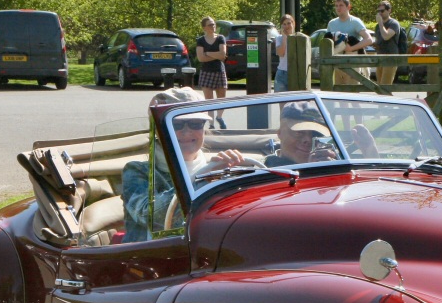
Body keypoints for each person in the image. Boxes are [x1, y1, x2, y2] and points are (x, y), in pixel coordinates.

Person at [122, 87, 251, 242]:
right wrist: (204, 179)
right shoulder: (137, 171)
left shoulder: (220, 166)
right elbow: (150, 217)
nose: (187, 132)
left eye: (196, 123)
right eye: (176, 124)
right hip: (154, 257)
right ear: (158, 131)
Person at [265, 101, 377, 167]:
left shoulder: (335, 165)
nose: (308, 140)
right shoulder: (266, 169)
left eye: (315, 134)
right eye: (298, 133)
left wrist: (371, 155)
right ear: (279, 133)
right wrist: (311, 170)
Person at [327, 0, 372, 85]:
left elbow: (369, 40)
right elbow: (328, 42)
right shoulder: (332, 23)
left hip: (352, 62)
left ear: (348, 7)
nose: (338, 8)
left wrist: (351, 48)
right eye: (336, 6)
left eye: (341, 5)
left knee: (353, 91)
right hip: (337, 62)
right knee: (336, 93)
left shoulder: (355, 21)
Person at [195, 17, 228, 128]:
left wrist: (208, 53)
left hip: (219, 71)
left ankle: (219, 117)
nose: (213, 26)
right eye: (210, 25)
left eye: (214, 24)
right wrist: (216, 55)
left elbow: (223, 55)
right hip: (206, 72)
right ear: (204, 27)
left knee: (221, 98)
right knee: (209, 100)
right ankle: (211, 123)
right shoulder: (200, 40)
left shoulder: (220, 38)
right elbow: (201, 58)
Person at [373, 0, 401, 86]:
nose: (380, 13)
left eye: (382, 11)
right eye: (378, 11)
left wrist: (381, 23)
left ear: (389, 11)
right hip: (380, 58)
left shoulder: (394, 23)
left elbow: (386, 36)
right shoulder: (378, 26)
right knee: (379, 86)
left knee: (385, 86)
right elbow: (379, 40)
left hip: (390, 58)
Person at [274, 14, 294, 92]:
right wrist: (285, 37)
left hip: (294, 73)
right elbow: (281, 53)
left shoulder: (298, 38)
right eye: (284, 24)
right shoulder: (279, 38)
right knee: (282, 102)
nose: (287, 26)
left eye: (289, 23)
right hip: (281, 73)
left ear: (293, 23)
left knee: (294, 102)